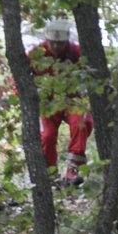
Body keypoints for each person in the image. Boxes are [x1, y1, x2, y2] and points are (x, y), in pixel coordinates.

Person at [29, 17, 93, 187]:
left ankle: (74, 170)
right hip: (47, 103)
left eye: (60, 43)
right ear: (47, 39)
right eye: (53, 43)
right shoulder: (36, 54)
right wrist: (29, 97)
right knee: (47, 136)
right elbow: (17, 79)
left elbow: (92, 73)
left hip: (71, 99)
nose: (56, 47)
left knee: (82, 123)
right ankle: (51, 175)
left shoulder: (76, 52)